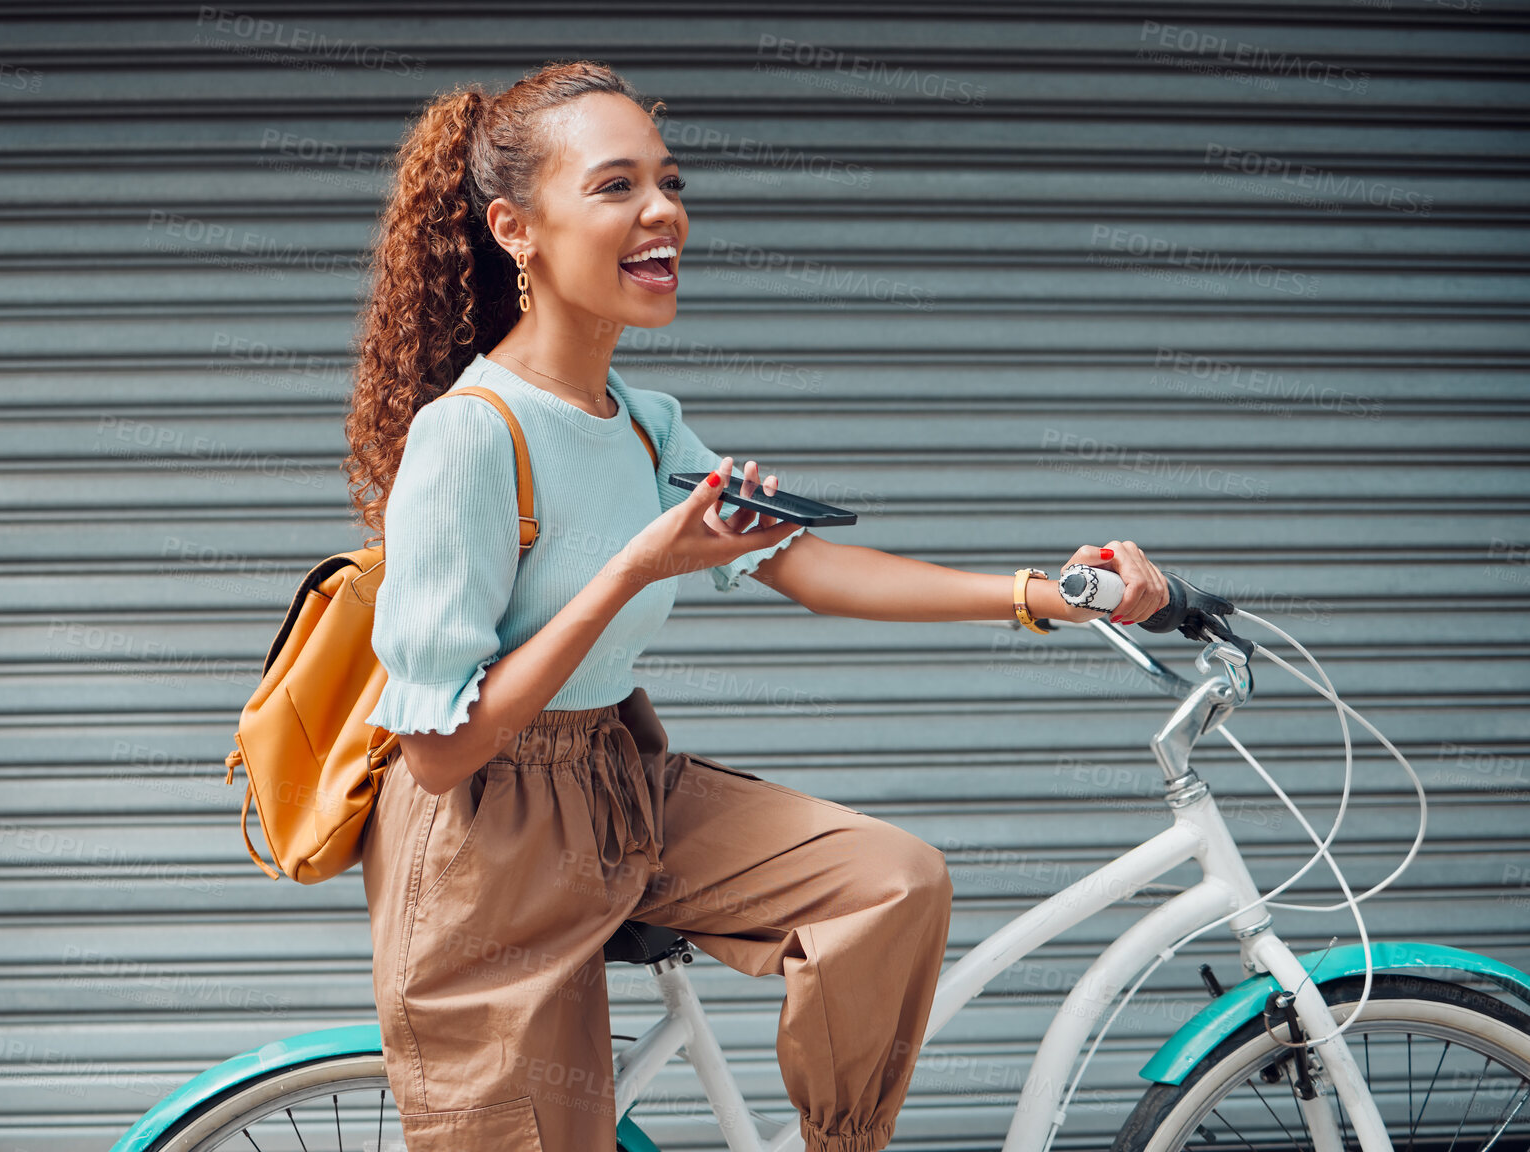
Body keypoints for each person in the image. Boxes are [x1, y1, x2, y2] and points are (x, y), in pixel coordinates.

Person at [343, 60, 1170, 1152]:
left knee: (889, 885)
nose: (662, 212)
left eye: (668, 180)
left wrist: (1043, 597)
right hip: (481, 840)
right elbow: (439, 755)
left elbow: (807, 566)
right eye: (614, 186)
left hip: (617, 776)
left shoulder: (643, 422)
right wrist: (636, 568)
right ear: (515, 228)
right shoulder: (471, 436)